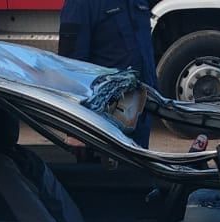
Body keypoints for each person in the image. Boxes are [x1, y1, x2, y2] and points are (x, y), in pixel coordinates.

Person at [58, 0, 157, 146]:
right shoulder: (81, 4)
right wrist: (74, 128)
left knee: (137, 166)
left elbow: (145, 53)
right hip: (102, 119)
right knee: (100, 168)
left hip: (138, 111)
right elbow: (71, 67)